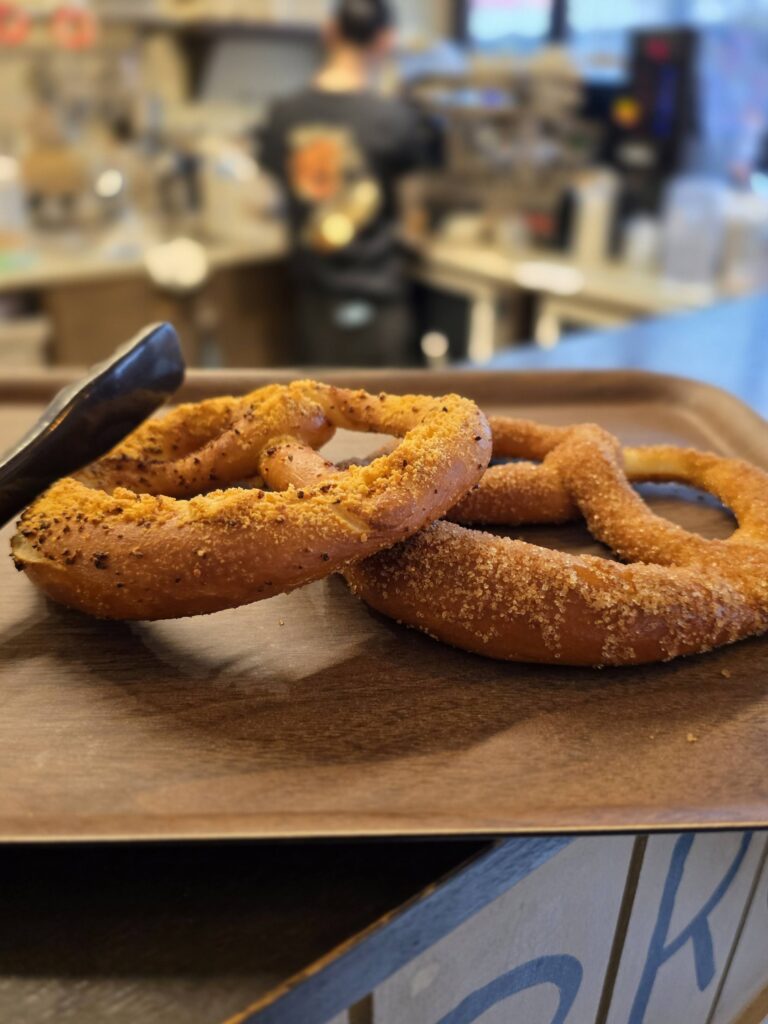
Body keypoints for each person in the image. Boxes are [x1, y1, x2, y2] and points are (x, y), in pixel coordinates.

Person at [259, 0, 439, 367]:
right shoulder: (396, 118)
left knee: (316, 403)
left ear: (330, 32)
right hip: (381, 300)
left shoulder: (284, 114)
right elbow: (413, 217)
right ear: (385, 41)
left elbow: (269, 200)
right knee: (388, 403)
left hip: (313, 303)